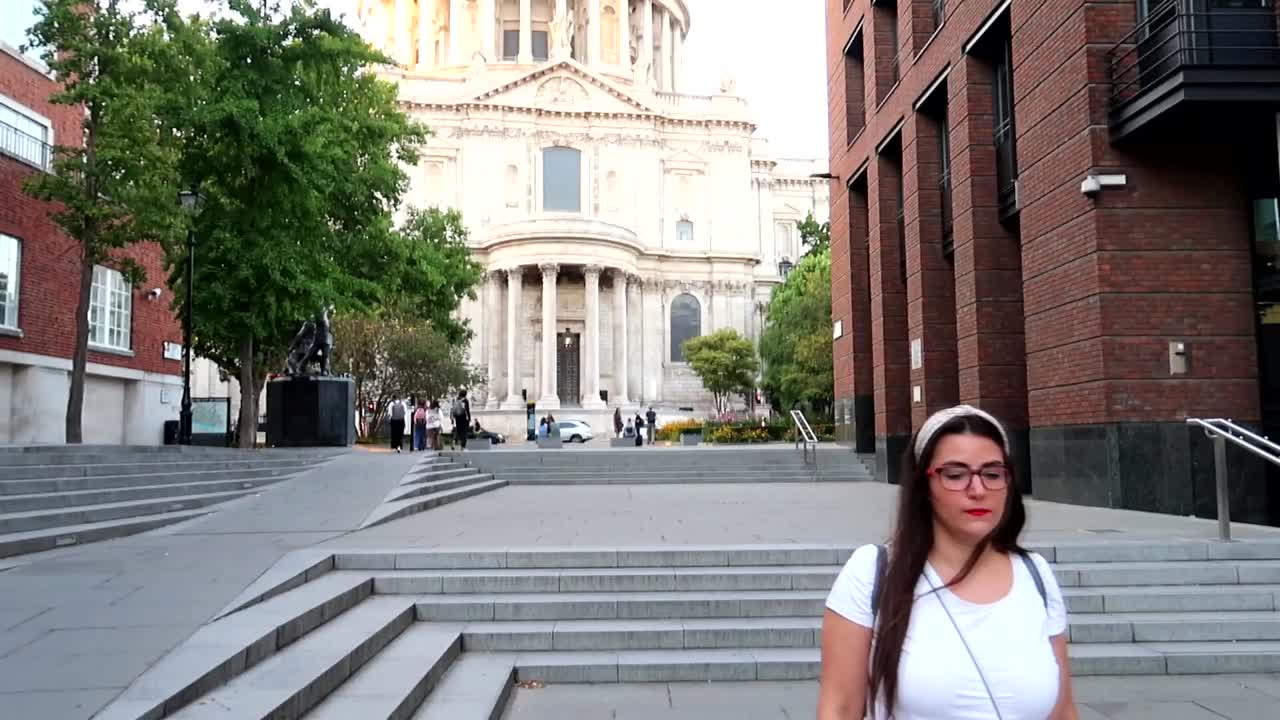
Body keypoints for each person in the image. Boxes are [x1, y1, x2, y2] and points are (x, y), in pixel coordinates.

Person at [818, 405, 1076, 720]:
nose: (977, 490)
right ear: (924, 486)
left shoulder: (1035, 575)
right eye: (956, 475)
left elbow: (1063, 711)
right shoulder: (872, 573)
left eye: (992, 474)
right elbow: (839, 708)